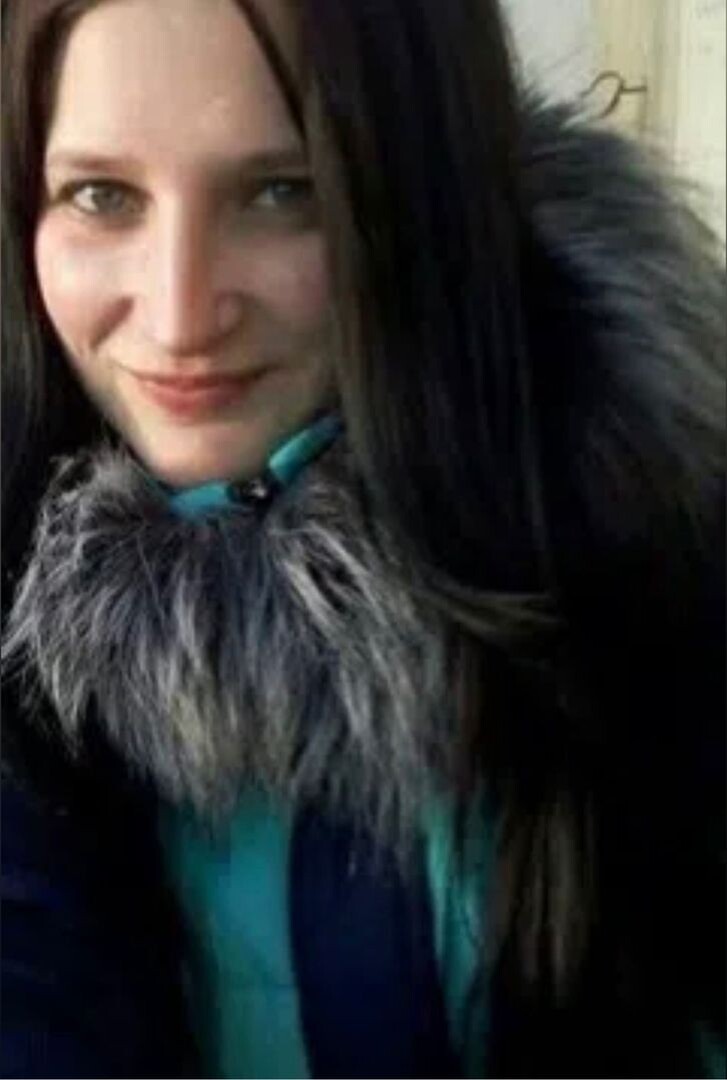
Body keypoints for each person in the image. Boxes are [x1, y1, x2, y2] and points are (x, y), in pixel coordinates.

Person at [2, 0, 724, 1076]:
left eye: (283, 192)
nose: (180, 316)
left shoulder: (655, 571)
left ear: (424, 196)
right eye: (101, 196)